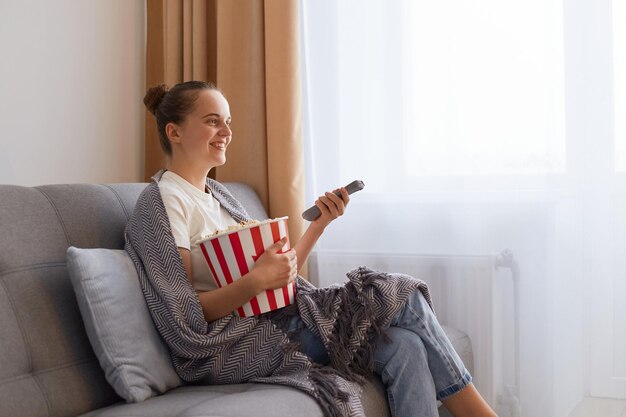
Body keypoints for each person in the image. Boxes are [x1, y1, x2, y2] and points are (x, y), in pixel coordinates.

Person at [132, 80, 497, 417]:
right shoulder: (164, 201)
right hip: (235, 345)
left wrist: (318, 226)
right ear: (174, 131)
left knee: (405, 347)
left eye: (227, 121)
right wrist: (256, 281)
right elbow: (186, 315)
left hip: (277, 319)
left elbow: (281, 281)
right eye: (213, 122)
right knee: (400, 295)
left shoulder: (221, 199)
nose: (227, 132)